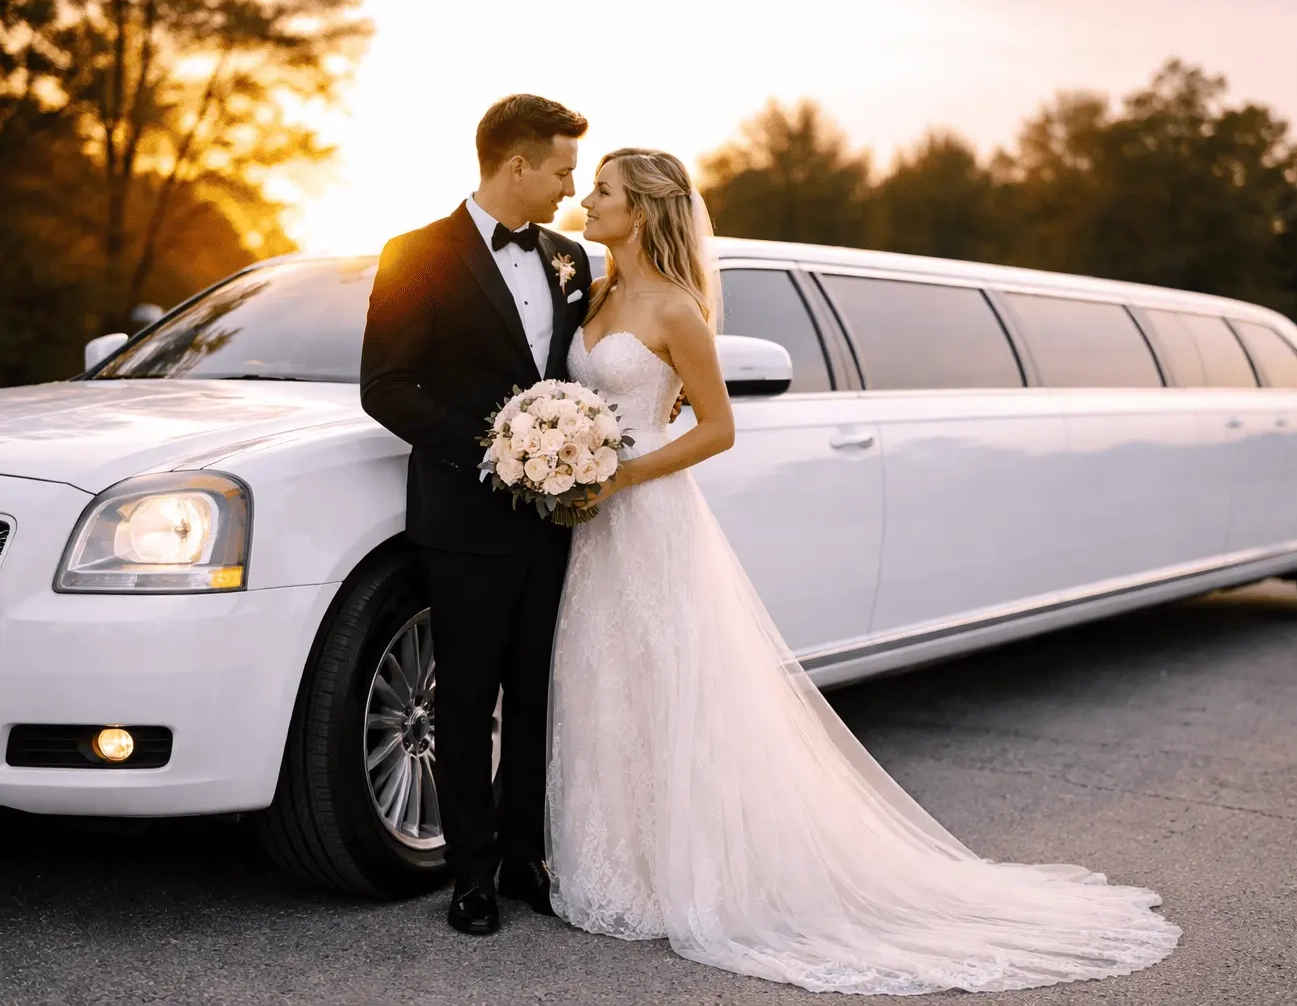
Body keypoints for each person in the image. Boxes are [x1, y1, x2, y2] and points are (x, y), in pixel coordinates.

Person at [545, 147, 1181, 994]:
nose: (587, 200)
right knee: (603, 682)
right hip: (593, 527)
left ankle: (685, 873)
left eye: (604, 191)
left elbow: (716, 429)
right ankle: (610, 865)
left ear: (650, 208)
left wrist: (618, 473)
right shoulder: (594, 294)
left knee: (671, 686)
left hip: (648, 516)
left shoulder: (677, 310)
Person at [360, 94, 593, 935]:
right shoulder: (414, 253)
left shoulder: (572, 258)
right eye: (562, 170)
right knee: (463, 696)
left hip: (559, 519)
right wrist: (498, 451)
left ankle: (527, 856)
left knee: (536, 690)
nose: (571, 187)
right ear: (517, 164)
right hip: (464, 514)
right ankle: (471, 874)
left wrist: (574, 455)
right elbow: (385, 386)